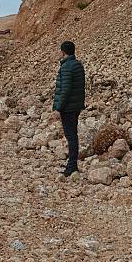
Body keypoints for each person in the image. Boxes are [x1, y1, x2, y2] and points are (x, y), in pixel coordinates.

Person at [53, 41, 86, 177]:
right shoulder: (78, 65)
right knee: (73, 135)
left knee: (71, 136)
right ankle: (72, 164)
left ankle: (72, 166)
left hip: (68, 108)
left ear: (63, 51)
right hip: (76, 106)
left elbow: (65, 90)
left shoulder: (66, 67)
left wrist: (58, 107)